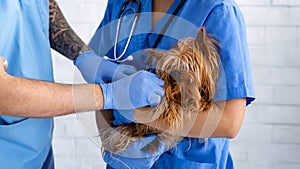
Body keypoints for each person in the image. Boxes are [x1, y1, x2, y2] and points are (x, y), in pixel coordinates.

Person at [0, 0, 165, 168]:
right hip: (7, 153)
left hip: (37, 144)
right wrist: (107, 95)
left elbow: (36, 6)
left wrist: (83, 55)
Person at [91, 0, 255, 168]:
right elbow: (100, 74)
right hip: (122, 159)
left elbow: (229, 122)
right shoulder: (121, 4)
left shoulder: (219, 10)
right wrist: (111, 143)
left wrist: (138, 114)